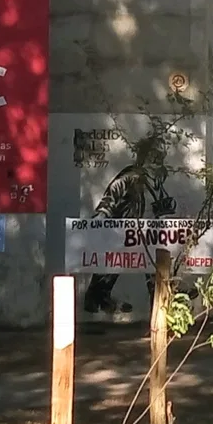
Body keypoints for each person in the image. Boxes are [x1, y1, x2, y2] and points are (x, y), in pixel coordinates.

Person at [83, 133, 178, 314]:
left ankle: (161, 309)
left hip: (149, 233)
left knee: (153, 269)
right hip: (128, 230)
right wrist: (101, 217)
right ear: (145, 155)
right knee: (113, 263)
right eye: (154, 155)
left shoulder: (157, 179)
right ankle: (97, 297)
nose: (158, 159)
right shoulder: (131, 176)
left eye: (161, 156)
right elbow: (113, 193)